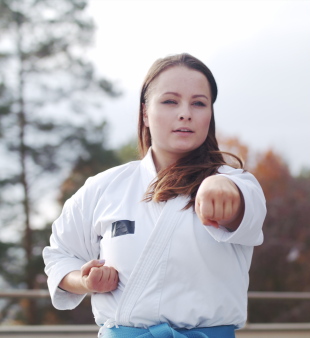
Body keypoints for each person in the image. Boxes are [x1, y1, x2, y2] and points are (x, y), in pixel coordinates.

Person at [43, 53, 266, 338]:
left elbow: (246, 211)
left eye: (199, 103)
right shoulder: (103, 187)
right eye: (170, 101)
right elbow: (60, 255)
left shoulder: (238, 183)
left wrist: (222, 188)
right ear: (145, 113)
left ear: (210, 115)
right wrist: (85, 281)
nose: (185, 112)